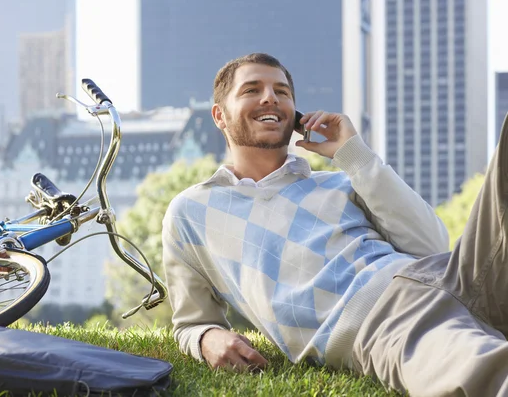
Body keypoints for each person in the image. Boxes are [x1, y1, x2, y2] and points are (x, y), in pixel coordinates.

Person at [161, 52, 508, 396]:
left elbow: (432, 244)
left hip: (452, 274)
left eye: (282, 92)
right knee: (484, 370)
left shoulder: (342, 181)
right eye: (252, 90)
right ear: (219, 115)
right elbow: (191, 322)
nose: (270, 97)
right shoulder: (191, 211)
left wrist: (353, 153)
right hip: (380, 322)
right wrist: (207, 338)